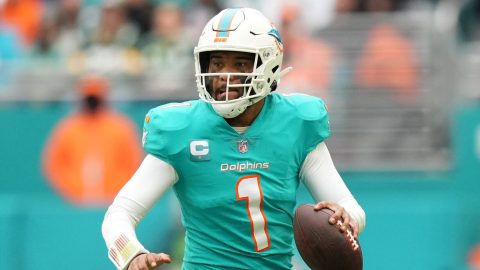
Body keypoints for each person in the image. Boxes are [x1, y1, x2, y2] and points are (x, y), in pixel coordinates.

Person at [102, 7, 366, 270]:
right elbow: (120, 213)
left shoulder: (294, 123)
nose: (222, 76)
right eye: (216, 63)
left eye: (239, 63)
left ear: (269, 65)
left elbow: (351, 208)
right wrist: (131, 255)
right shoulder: (183, 129)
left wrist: (346, 218)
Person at [42, 74, 143, 206]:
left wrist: (115, 189)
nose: (92, 104)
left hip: (114, 202)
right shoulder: (68, 128)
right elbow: (55, 165)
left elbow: (132, 164)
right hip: (76, 204)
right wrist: (74, 189)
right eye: (89, 99)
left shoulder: (120, 128)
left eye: (96, 98)